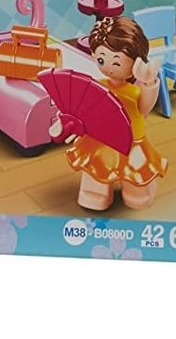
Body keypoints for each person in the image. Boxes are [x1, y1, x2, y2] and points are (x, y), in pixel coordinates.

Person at [55, 16, 168, 211]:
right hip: (101, 140)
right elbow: (82, 109)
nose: (108, 68)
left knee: (135, 173)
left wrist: (149, 83)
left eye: (116, 63)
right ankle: (96, 193)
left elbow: (144, 109)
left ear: (136, 61)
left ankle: (137, 192)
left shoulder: (134, 92)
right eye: (101, 59)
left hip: (131, 141)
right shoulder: (98, 87)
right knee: (96, 168)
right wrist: (66, 121)